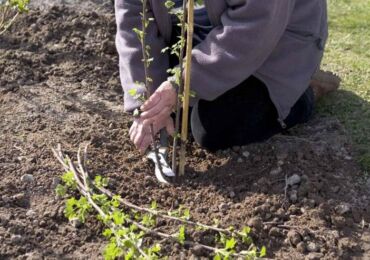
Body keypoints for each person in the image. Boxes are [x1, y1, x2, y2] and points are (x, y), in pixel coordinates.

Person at [115, 0, 340, 153]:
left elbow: (254, 26)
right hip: (204, 29)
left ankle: (304, 88)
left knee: (214, 127)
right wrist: (148, 103)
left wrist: (181, 83)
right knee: (179, 118)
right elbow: (134, 20)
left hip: (278, 41)